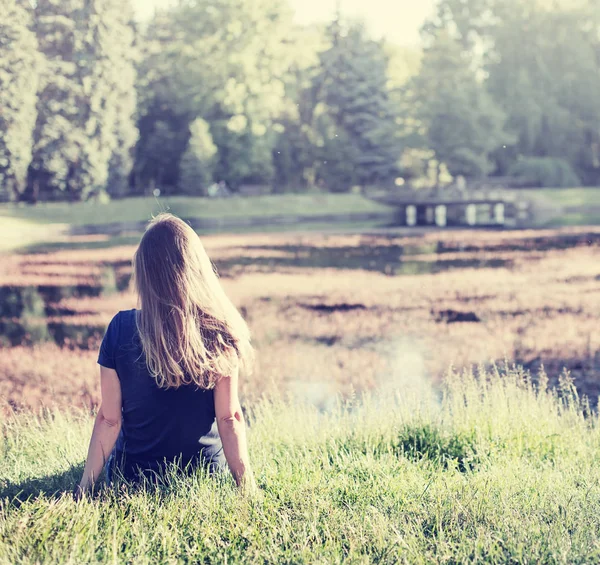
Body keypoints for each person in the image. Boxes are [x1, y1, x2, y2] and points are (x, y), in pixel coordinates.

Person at [76, 213, 255, 495]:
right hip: (205, 478)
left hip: (134, 478)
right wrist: (247, 488)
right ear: (196, 267)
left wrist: (84, 487)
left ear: (145, 273)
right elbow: (229, 417)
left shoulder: (120, 328)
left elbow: (109, 420)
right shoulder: (221, 329)